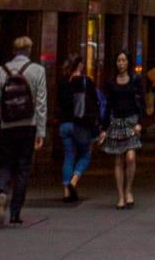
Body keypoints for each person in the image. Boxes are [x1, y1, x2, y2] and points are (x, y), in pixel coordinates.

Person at [0, 34, 47, 228]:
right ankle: (15, 212)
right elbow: (41, 104)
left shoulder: (0, 71)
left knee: (6, 164)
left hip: (7, 126)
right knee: (23, 168)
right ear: (29, 50)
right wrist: (41, 132)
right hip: (28, 126)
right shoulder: (38, 70)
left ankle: (2, 191)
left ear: (14, 51)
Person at [102, 48, 146, 208]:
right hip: (117, 122)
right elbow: (108, 106)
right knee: (118, 159)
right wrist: (104, 127)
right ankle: (121, 195)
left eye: (124, 60)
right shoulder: (111, 82)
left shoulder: (135, 80)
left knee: (131, 157)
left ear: (128, 62)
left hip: (132, 121)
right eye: (119, 60)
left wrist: (140, 122)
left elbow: (141, 102)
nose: (121, 63)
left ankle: (129, 190)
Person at [57, 53, 102, 203]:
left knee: (68, 156)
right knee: (85, 154)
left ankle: (65, 192)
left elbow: (59, 103)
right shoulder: (85, 82)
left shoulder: (63, 82)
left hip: (64, 124)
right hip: (80, 124)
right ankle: (74, 181)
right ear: (80, 65)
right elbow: (95, 103)